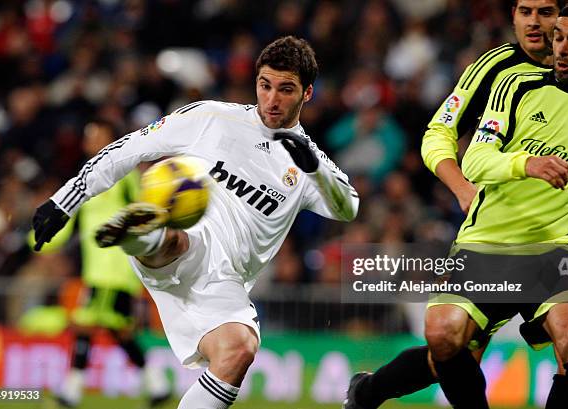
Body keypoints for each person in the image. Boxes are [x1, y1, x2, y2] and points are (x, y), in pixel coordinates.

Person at [32, 36, 359, 409]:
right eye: (264, 85)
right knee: (183, 238)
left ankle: (146, 232)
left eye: (285, 90)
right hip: (186, 243)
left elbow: (348, 207)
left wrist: (315, 169)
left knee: (240, 349)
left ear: (307, 93)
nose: (271, 100)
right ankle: (145, 233)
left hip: (225, 283)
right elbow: (130, 148)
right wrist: (64, 201)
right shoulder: (211, 117)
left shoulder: (307, 163)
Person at [345, 1, 566, 408]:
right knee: (452, 352)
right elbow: (438, 133)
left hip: (561, 240)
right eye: (525, 11)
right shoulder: (494, 68)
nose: (534, 22)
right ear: (513, 16)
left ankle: (368, 391)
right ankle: (369, 392)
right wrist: (462, 186)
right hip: (494, 234)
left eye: (547, 11)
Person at [31, 119, 169, 407]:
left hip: (114, 270)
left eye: (98, 135)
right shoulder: (85, 179)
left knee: (84, 324)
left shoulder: (124, 177)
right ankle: (156, 385)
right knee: (119, 332)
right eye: (89, 134)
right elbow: (70, 220)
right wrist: (43, 238)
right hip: (98, 271)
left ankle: (71, 391)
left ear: (111, 141)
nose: (92, 139)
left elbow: (141, 212)